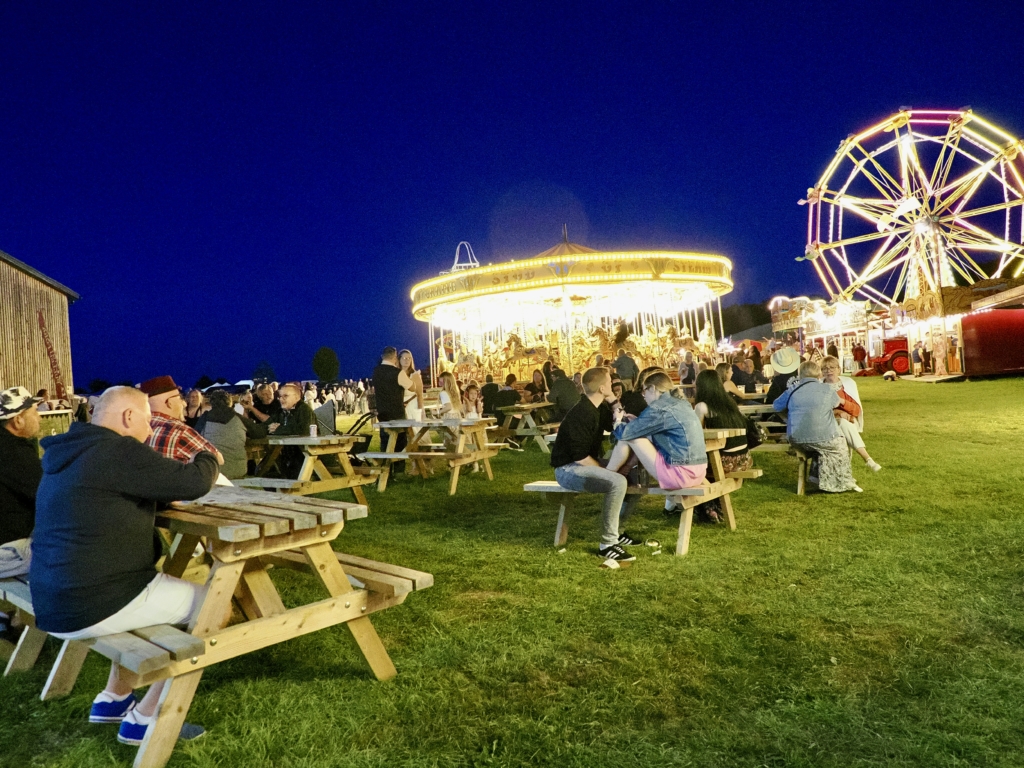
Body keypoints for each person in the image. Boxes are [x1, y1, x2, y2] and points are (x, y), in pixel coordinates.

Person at [30, 386, 217, 745]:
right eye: (146, 421)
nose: (149, 432)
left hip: (53, 599)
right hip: (93, 599)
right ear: (129, 417)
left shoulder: (73, 450)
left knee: (150, 596)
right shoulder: (117, 450)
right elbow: (191, 482)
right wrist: (207, 458)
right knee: (213, 605)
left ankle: (112, 699)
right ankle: (147, 718)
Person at [550, 367, 641, 562]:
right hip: (568, 469)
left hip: (582, 462)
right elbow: (580, 457)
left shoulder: (597, 408)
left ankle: (618, 531)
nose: (612, 385)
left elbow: (618, 424)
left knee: (634, 475)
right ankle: (607, 544)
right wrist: (608, 473)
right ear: (601, 388)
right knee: (617, 482)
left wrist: (613, 401)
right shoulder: (581, 413)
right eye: (609, 383)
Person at [606, 371, 708, 516]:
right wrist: (638, 423)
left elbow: (626, 434)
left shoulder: (660, 407)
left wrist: (617, 420)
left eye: (644, 391)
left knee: (632, 437)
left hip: (680, 475)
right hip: (698, 472)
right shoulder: (681, 403)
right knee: (636, 434)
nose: (644, 396)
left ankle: (607, 475)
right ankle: (619, 473)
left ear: (653, 388)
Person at [773, 361, 860, 493]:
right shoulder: (827, 389)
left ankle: (816, 478)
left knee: (818, 447)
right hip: (824, 436)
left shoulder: (792, 389)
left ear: (800, 374)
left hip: (796, 438)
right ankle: (838, 482)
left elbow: (776, 406)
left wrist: (787, 417)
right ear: (819, 374)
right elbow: (835, 403)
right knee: (840, 446)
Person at [0, 387, 43, 578]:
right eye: (35, 412)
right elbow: (48, 495)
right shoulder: (13, 452)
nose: (40, 418)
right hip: (7, 552)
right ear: (18, 420)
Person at [139, 376, 224, 467]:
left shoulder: (136, 427)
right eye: (180, 398)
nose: (184, 403)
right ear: (169, 403)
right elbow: (218, 458)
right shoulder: (180, 431)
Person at [820, 356, 881, 472]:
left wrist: (842, 402)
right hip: (825, 424)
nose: (829, 371)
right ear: (821, 371)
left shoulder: (847, 385)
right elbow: (816, 410)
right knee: (843, 423)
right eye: (825, 368)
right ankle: (867, 459)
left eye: (832, 367)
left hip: (846, 422)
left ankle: (857, 466)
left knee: (844, 424)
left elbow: (857, 410)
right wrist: (837, 412)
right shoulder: (818, 387)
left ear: (839, 369)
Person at [195, 389, 267, 479]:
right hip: (237, 469)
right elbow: (260, 433)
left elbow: (194, 438)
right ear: (230, 403)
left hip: (211, 470)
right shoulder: (238, 418)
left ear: (211, 403)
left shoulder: (205, 418)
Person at [693, 370, 752, 474]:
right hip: (745, 459)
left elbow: (697, 434)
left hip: (725, 462)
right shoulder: (729, 402)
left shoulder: (702, 406)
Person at [373, 347, 416, 458]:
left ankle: (385, 468)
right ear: (395, 357)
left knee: (385, 442)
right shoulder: (398, 373)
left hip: (382, 413)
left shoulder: (376, 371)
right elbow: (412, 387)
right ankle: (398, 470)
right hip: (397, 414)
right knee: (400, 443)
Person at [266, 382, 315, 477]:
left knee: (290, 473)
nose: (281, 399)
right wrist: (270, 427)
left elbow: (303, 430)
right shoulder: (281, 411)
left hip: (305, 454)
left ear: (297, 397)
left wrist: (278, 429)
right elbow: (268, 424)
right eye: (280, 396)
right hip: (287, 454)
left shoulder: (304, 410)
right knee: (265, 471)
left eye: (285, 396)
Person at [399, 349, 424, 418]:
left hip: (412, 405)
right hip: (399, 406)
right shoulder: (396, 374)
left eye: (409, 358)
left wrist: (420, 409)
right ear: (399, 359)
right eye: (404, 358)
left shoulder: (414, 375)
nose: (407, 360)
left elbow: (419, 394)